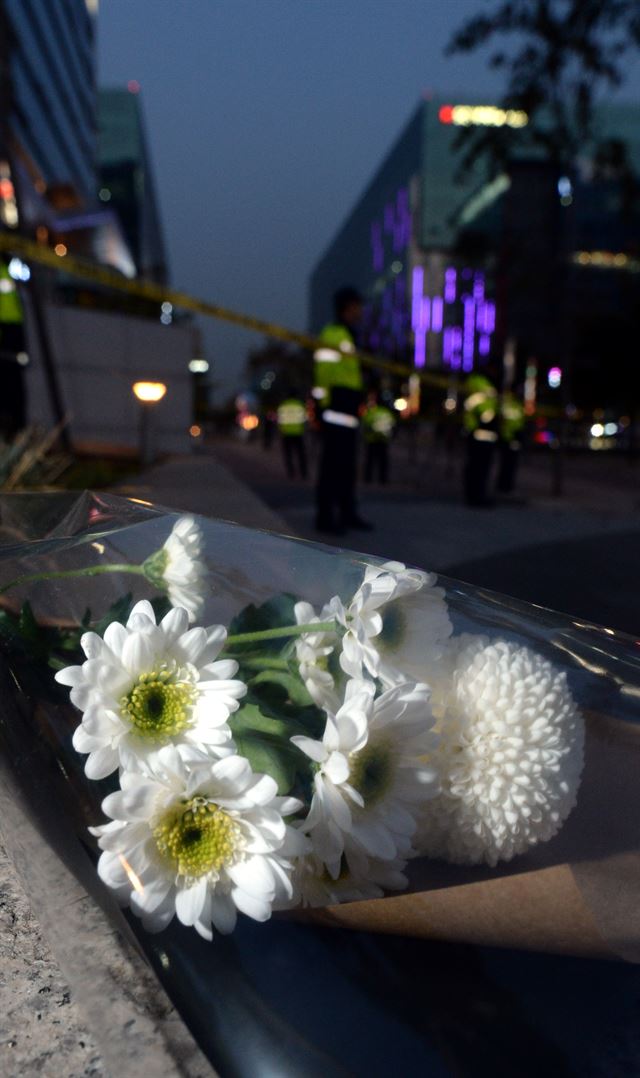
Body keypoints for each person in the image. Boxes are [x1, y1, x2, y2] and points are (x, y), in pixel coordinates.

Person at [313, 286, 372, 534]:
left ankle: (347, 513)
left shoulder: (348, 334)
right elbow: (323, 373)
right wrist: (320, 405)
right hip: (336, 407)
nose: (360, 310)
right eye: (357, 305)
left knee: (347, 466)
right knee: (332, 467)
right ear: (348, 307)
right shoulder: (333, 334)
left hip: (348, 409)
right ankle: (326, 518)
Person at [462, 369, 499, 507]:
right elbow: (486, 414)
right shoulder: (484, 388)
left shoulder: (471, 386)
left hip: (474, 433)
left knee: (473, 467)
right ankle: (478, 497)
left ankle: (472, 495)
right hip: (484, 435)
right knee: (481, 469)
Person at [0, 259, 27, 439]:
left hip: (13, 329)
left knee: (14, 388)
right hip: (8, 328)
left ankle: (16, 431)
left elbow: (24, 274)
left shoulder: (10, 264)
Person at [497, 388, 526, 494]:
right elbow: (505, 422)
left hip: (514, 439)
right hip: (508, 439)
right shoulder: (508, 404)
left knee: (511, 465)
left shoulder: (517, 405)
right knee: (507, 465)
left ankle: (507, 486)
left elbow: (520, 422)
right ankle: (504, 486)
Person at [362, 390, 395, 484]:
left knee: (370, 461)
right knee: (383, 461)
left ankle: (368, 478)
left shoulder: (372, 412)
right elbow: (393, 426)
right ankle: (383, 479)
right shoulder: (388, 413)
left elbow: (366, 425)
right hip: (384, 440)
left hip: (371, 440)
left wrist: (365, 435)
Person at [277, 391, 307, 479]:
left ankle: (291, 473)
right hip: (298, 433)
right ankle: (303, 473)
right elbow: (304, 419)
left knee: (288, 455)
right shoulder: (300, 404)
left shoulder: (283, 405)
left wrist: (281, 430)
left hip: (286, 434)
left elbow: (280, 420)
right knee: (301, 454)